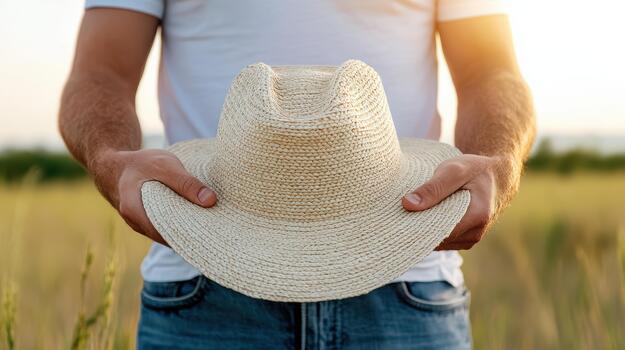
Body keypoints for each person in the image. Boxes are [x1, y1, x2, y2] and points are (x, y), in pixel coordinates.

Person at [59, 1, 535, 348]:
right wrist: (110, 159)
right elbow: (100, 72)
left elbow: (491, 72)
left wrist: (500, 164)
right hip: (199, 286)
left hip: (410, 282)